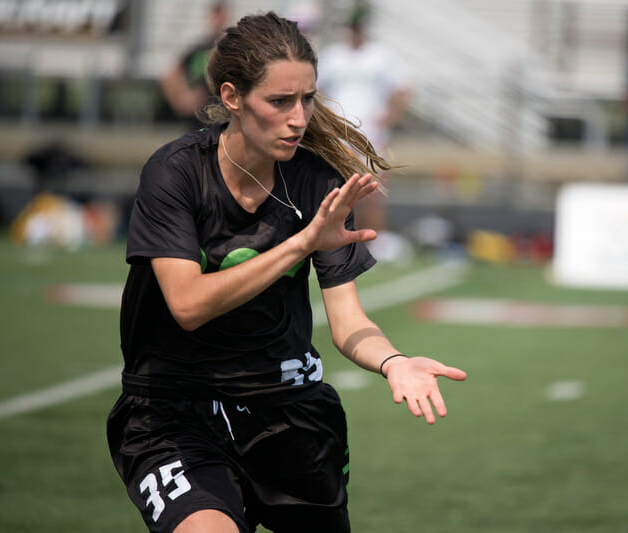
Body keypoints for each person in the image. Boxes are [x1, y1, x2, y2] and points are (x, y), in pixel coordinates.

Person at [107, 11, 466, 533]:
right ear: (232, 97)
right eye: (280, 102)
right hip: (172, 413)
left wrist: (394, 362)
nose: (299, 118)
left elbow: (347, 322)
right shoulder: (176, 172)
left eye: (308, 99)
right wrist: (301, 242)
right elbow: (186, 304)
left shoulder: (318, 183)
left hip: (288, 413)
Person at [317, 3, 412, 257]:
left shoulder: (380, 56)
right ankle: (337, 239)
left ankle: (374, 240)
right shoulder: (332, 56)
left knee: (373, 190)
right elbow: (313, 88)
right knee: (337, 188)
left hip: (370, 135)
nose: (355, 32)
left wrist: (390, 117)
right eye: (352, 27)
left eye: (359, 28)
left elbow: (403, 90)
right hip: (338, 136)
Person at [159, 1, 229, 129]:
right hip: (199, 119)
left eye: (221, 16)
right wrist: (181, 98)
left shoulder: (230, 49)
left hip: (224, 117)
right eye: (215, 16)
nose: (218, 21)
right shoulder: (199, 50)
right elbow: (170, 76)